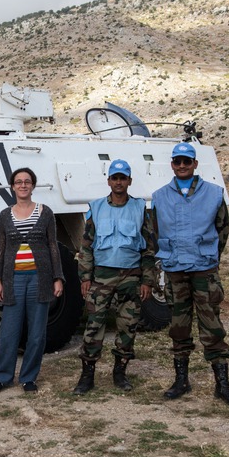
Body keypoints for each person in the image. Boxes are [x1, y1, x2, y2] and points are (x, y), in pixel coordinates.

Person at [151, 142, 229, 406]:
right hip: (175, 271)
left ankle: (222, 386)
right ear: (172, 164)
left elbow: (222, 231)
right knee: (179, 328)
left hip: (204, 270)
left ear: (195, 164)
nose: (182, 166)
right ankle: (182, 381)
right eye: (177, 161)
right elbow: (155, 232)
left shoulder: (214, 193)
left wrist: (211, 258)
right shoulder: (159, 196)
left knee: (212, 326)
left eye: (187, 161)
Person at [73, 159, 157, 395]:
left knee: (128, 325)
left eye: (123, 177)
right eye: (114, 177)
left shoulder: (140, 208)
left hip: (131, 276)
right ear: (108, 181)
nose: (118, 182)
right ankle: (87, 375)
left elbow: (149, 249)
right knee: (94, 324)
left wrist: (148, 280)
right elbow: (86, 246)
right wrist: (85, 277)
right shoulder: (97, 207)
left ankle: (120, 372)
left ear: (129, 181)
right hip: (101, 276)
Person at [0, 167, 64, 393]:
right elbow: (0, 249)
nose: (23, 185)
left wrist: (57, 277)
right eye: (18, 182)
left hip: (39, 280)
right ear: (13, 186)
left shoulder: (46, 212)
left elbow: (53, 246)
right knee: (9, 332)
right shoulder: (4, 215)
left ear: (33, 185)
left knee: (37, 333)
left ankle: (28, 377)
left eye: (27, 181)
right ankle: (2, 377)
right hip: (13, 280)